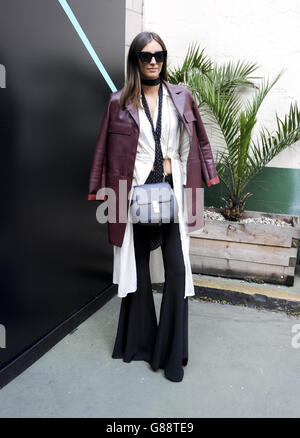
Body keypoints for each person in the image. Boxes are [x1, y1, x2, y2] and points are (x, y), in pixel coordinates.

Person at [88, 31, 220, 382]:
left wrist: (202, 173)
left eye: (158, 55)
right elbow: (103, 148)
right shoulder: (118, 101)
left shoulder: (181, 96)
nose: (153, 62)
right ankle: (140, 344)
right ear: (135, 60)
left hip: (173, 191)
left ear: (164, 58)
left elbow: (200, 141)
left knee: (177, 269)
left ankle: (170, 351)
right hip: (135, 192)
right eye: (145, 56)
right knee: (140, 266)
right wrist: (99, 190)